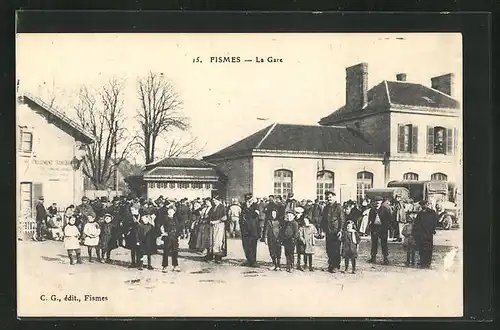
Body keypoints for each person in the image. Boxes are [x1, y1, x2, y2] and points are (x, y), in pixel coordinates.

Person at [320, 191, 345, 273]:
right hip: (328, 231)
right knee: (329, 249)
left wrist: (340, 230)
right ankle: (330, 265)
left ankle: (336, 266)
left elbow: (342, 219)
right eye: (327, 197)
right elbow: (323, 219)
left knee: (336, 249)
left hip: (336, 231)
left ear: (334, 197)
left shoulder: (338, 207)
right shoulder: (326, 207)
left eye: (330, 197)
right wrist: (322, 230)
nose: (329, 198)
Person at [367, 196, 392, 265]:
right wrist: (370, 228)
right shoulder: (372, 210)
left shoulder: (385, 209)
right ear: (374, 202)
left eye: (379, 201)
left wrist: (387, 227)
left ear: (381, 202)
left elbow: (389, 219)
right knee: (374, 243)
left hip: (383, 228)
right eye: (376, 201)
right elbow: (370, 220)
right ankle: (373, 257)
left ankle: (385, 259)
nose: (377, 202)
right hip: (375, 228)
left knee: (384, 243)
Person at [413, 200, 438, 268]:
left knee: (428, 248)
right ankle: (422, 261)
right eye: (422, 205)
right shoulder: (420, 213)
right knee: (421, 248)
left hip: (428, 233)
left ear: (427, 204)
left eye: (424, 204)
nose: (423, 206)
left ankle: (427, 262)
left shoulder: (432, 212)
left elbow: (435, 222)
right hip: (421, 234)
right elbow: (416, 224)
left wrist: (433, 230)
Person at [240, 193, 260, 267]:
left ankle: (253, 261)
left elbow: (255, 215)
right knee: (245, 245)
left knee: (253, 245)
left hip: (253, 229)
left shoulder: (255, 205)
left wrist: (249, 208)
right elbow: (241, 215)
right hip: (245, 229)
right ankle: (248, 260)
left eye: (249, 199)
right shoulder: (243, 205)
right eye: (246, 200)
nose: (247, 201)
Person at [160, 205, 181, 273]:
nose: (170, 211)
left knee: (175, 251)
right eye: (169, 210)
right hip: (168, 237)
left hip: (174, 237)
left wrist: (179, 235)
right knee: (166, 251)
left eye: (172, 210)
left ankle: (175, 266)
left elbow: (178, 228)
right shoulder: (165, 218)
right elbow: (161, 226)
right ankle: (164, 266)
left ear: (174, 211)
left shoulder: (175, 218)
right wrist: (163, 233)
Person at [207, 196, 228, 263]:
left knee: (218, 241)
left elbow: (224, 217)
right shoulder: (213, 207)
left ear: (218, 200)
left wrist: (217, 221)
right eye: (213, 200)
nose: (214, 201)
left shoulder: (222, 207)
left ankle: (218, 257)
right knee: (212, 241)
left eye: (215, 200)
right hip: (212, 225)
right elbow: (209, 215)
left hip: (219, 225)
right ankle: (211, 255)